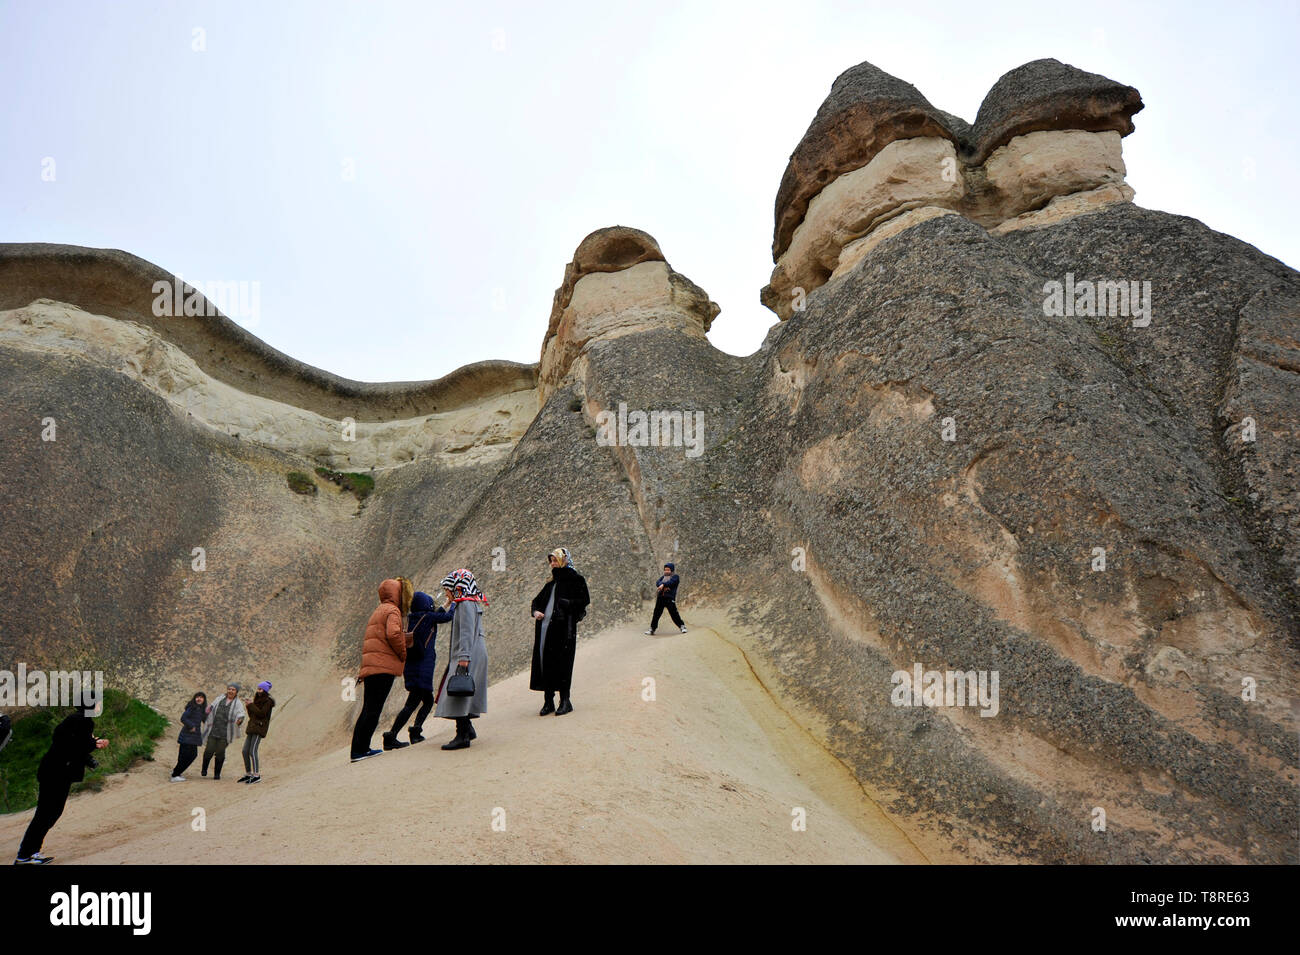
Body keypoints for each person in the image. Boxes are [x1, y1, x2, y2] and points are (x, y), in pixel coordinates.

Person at [14, 702, 109, 864]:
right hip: (56, 774)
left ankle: (31, 852)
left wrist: (90, 746)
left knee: (50, 813)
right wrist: (94, 744)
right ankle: (24, 856)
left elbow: (66, 742)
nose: (100, 705)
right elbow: (71, 745)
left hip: (55, 772)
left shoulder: (77, 719)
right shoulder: (83, 720)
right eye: (98, 702)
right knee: (46, 814)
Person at [351, 578, 411, 762]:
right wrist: (402, 652)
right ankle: (361, 751)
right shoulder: (392, 610)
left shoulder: (379, 610)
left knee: (368, 708)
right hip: (382, 668)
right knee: (373, 710)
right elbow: (393, 634)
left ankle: (358, 749)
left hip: (372, 667)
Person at [386, 591, 454, 747]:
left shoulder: (412, 618)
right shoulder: (428, 617)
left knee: (423, 700)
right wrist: (455, 603)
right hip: (422, 668)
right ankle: (394, 735)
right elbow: (447, 617)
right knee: (416, 703)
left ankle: (413, 731)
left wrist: (446, 604)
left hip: (411, 667)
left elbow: (436, 615)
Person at [530, 547, 590, 716]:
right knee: (546, 663)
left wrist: (567, 603)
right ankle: (548, 702)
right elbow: (536, 601)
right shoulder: (551, 582)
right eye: (551, 561)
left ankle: (565, 701)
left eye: (555, 560)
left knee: (563, 663)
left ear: (564, 560)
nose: (552, 564)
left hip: (564, 630)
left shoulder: (575, 579)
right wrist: (536, 612)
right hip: (545, 631)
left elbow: (584, 599)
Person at [433, 569, 488, 750]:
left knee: (458, 693)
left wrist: (463, 658)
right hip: (472, 652)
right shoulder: (468, 601)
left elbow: (465, 632)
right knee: (461, 693)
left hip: (467, 654)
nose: (446, 592)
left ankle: (462, 735)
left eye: (447, 588)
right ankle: (468, 729)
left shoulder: (464, 604)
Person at [202, 683, 246, 780]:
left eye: (233, 690)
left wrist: (240, 720)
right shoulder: (220, 698)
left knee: (220, 752)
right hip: (213, 729)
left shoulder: (237, 703)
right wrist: (207, 711)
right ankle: (204, 769)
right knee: (209, 750)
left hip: (225, 732)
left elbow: (241, 713)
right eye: (229, 689)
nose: (230, 691)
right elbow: (212, 706)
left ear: (236, 692)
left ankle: (217, 774)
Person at [238, 682, 275, 784]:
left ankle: (256, 775)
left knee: (252, 751)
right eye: (258, 688)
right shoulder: (257, 700)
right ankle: (249, 773)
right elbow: (252, 715)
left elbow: (262, 714)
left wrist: (252, 705)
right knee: (245, 751)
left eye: (260, 689)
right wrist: (248, 706)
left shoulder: (268, 701)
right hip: (252, 727)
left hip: (260, 728)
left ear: (265, 690)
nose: (258, 691)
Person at [170, 692, 208, 781]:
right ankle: (175, 775)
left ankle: (176, 772)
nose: (199, 699)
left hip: (193, 737)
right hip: (187, 736)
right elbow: (183, 718)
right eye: (197, 697)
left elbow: (206, 720)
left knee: (189, 755)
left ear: (204, 700)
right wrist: (191, 726)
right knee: (187, 756)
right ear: (194, 698)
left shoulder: (201, 709)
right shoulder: (192, 707)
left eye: (201, 697)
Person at [645, 562, 687, 635]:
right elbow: (657, 582)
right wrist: (661, 584)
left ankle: (682, 626)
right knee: (656, 614)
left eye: (668, 570)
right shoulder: (662, 577)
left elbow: (671, 583)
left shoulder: (675, 577)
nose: (666, 571)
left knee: (674, 614)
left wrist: (663, 585)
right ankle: (652, 629)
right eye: (665, 570)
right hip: (660, 598)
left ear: (672, 570)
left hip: (669, 599)